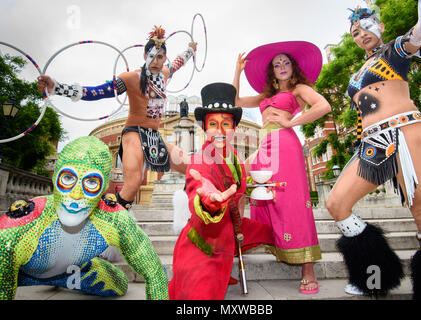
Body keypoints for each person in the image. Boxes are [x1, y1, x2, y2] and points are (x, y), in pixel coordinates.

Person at [325, 1, 421, 299]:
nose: (360, 34)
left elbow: (415, 38)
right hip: (374, 143)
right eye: (355, 32)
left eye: (366, 27)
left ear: (379, 26)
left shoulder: (393, 51)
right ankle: (375, 275)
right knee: (337, 204)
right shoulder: (361, 68)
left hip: (409, 135)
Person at [37, 26, 195, 211]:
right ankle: (112, 220)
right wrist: (57, 87)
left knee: (194, 168)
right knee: (133, 183)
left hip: (154, 137)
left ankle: (185, 207)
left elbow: (178, 62)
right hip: (134, 134)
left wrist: (191, 50)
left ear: (164, 58)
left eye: (160, 57)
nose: (155, 61)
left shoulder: (165, 74)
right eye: (151, 56)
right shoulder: (130, 78)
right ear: (144, 56)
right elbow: (97, 92)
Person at [0, 136, 168, 300]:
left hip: (77, 272)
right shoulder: (23, 223)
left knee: (119, 283)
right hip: (22, 272)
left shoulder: (115, 219)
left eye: (91, 182)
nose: (76, 195)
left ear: (103, 188)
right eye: (68, 178)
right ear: (54, 177)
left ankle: (71, 269)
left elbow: (154, 271)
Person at [233, 41, 331, 294]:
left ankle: (308, 269)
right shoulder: (266, 96)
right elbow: (235, 100)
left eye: (286, 62)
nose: (282, 67)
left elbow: (323, 106)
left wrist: (292, 122)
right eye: (277, 64)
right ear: (272, 71)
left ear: (293, 66)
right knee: (240, 181)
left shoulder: (299, 89)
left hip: (285, 145)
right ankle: (239, 239)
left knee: (293, 202)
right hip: (264, 144)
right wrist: (237, 70)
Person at [168, 82, 274, 300]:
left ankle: (227, 267)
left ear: (234, 127)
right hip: (203, 245)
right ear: (205, 128)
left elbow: (240, 198)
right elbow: (198, 184)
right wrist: (210, 200)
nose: (220, 131)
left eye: (226, 123)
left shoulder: (234, 158)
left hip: (231, 230)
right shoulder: (200, 159)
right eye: (213, 124)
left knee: (275, 233)